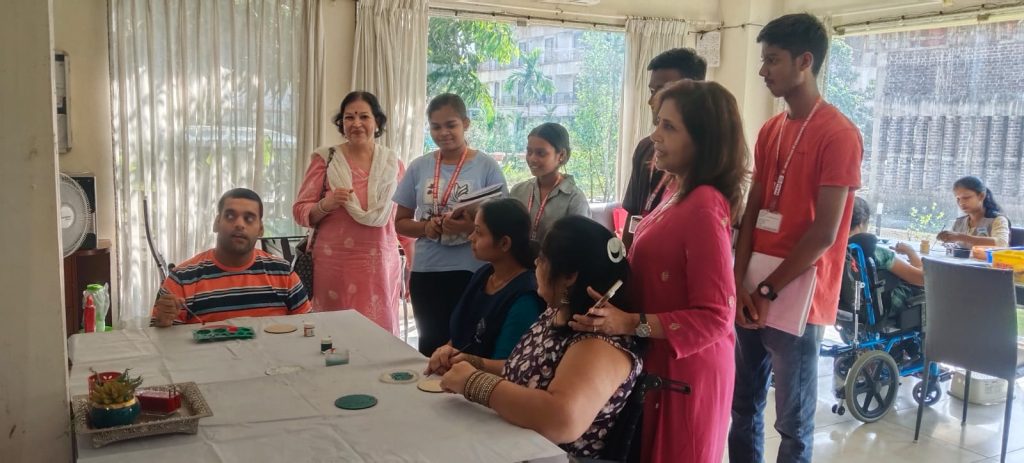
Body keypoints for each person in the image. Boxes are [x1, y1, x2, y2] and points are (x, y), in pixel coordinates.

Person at [568, 80, 748, 462]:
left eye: (669, 127)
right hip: (659, 359)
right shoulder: (675, 189)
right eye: (657, 123)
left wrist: (630, 323)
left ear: (702, 140)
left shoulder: (704, 205)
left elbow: (717, 316)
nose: (655, 136)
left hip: (687, 369)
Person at [730, 13, 864, 463]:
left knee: (793, 425)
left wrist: (768, 289)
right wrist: (739, 281)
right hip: (752, 289)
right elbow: (752, 212)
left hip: (799, 296)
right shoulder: (771, 130)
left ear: (805, 61)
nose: (762, 71)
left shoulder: (839, 134)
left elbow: (824, 232)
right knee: (742, 406)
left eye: (772, 60)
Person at [439, 216, 641, 458]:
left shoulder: (599, 343)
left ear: (569, 276)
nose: (536, 262)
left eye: (543, 258)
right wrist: (472, 363)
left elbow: (562, 418)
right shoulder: (557, 312)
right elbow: (530, 372)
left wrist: (475, 382)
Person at [393, 93, 508, 356]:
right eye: (436, 127)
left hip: (473, 268)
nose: (443, 133)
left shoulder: (486, 166)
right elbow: (400, 223)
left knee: (468, 344)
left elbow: (503, 220)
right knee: (430, 345)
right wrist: (425, 228)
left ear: (465, 124)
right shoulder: (419, 167)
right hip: (427, 270)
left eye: (451, 125)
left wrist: (468, 228)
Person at [292, 91, 406, 335]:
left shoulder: (393, 164)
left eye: (364, 116)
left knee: (379, 336)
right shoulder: (326, 159)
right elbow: (300, 211)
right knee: (335, 336)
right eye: (349, 117)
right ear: (341, 123)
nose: (356, 123)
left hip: (381, 267)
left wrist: (413, 266)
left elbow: (403, 219)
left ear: (377, 122)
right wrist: (326, 204)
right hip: (335, 267)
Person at [152, 188, 311, 327]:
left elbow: (308, 327)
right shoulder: (182, 278)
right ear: (216, 223)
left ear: (260, 229)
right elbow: (161, 341)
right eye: (230, 216)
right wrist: (163, 322)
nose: (239, 224)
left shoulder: (284, 274)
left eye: (249, 219)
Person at [424, 199, 544, 374]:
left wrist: (467, 361)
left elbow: (510, 366)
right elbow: (462, 335)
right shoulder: (484, 274)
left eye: (479, 233)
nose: (470, 237)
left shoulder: (525, 297)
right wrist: (446, 351)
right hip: (459, 376)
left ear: (504, 243)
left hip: (490, 386)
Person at [621, 48, 707, 246]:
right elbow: (633, 214)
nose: (652, 101)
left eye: (662, 91)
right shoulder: (646, 147)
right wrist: (624, 259)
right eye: (652, 91)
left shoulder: (706, 158)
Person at [510, 122, 591, 242]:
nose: (532, 159)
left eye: (541, 153)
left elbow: (580, 245)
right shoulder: (518, 191)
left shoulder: (574, 199)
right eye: (529, 152)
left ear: (561, 155)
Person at [937, 176, 1011, 248]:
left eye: (966, 198)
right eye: (958, 199)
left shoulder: (997, 220)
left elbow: (1001, 243)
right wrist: (946, 239)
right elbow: (951, 246)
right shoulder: (959, 222)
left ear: (981, 196)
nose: (961, 203)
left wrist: (960, 237)